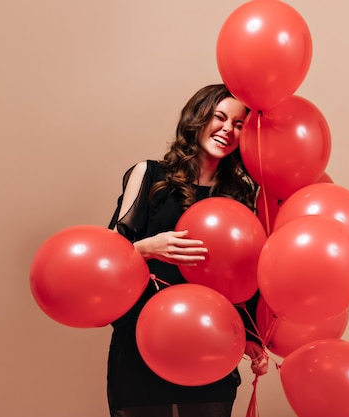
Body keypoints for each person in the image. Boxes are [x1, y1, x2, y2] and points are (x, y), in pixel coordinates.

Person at [106, 84, 268, 417]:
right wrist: (148, 247)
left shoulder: (241, 197)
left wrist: (252, 337)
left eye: (239, 124)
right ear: (198, 118)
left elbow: (246, 274)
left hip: (211, 344)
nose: (227, 130)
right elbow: (107, 258)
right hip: (145, 340)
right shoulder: (149, 175)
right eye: (219, 117)